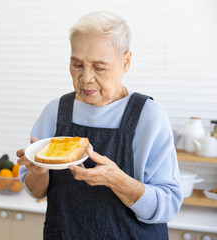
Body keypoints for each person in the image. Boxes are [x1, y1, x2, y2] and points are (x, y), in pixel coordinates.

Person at [16, 11, 182, 240]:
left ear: (126, 61)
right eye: (77, 65)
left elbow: (169, 204)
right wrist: (40, 171)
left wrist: (117, 180)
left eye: (99, 67)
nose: (85, 78)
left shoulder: (149, 117)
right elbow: (35, 190)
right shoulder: (55, 112)